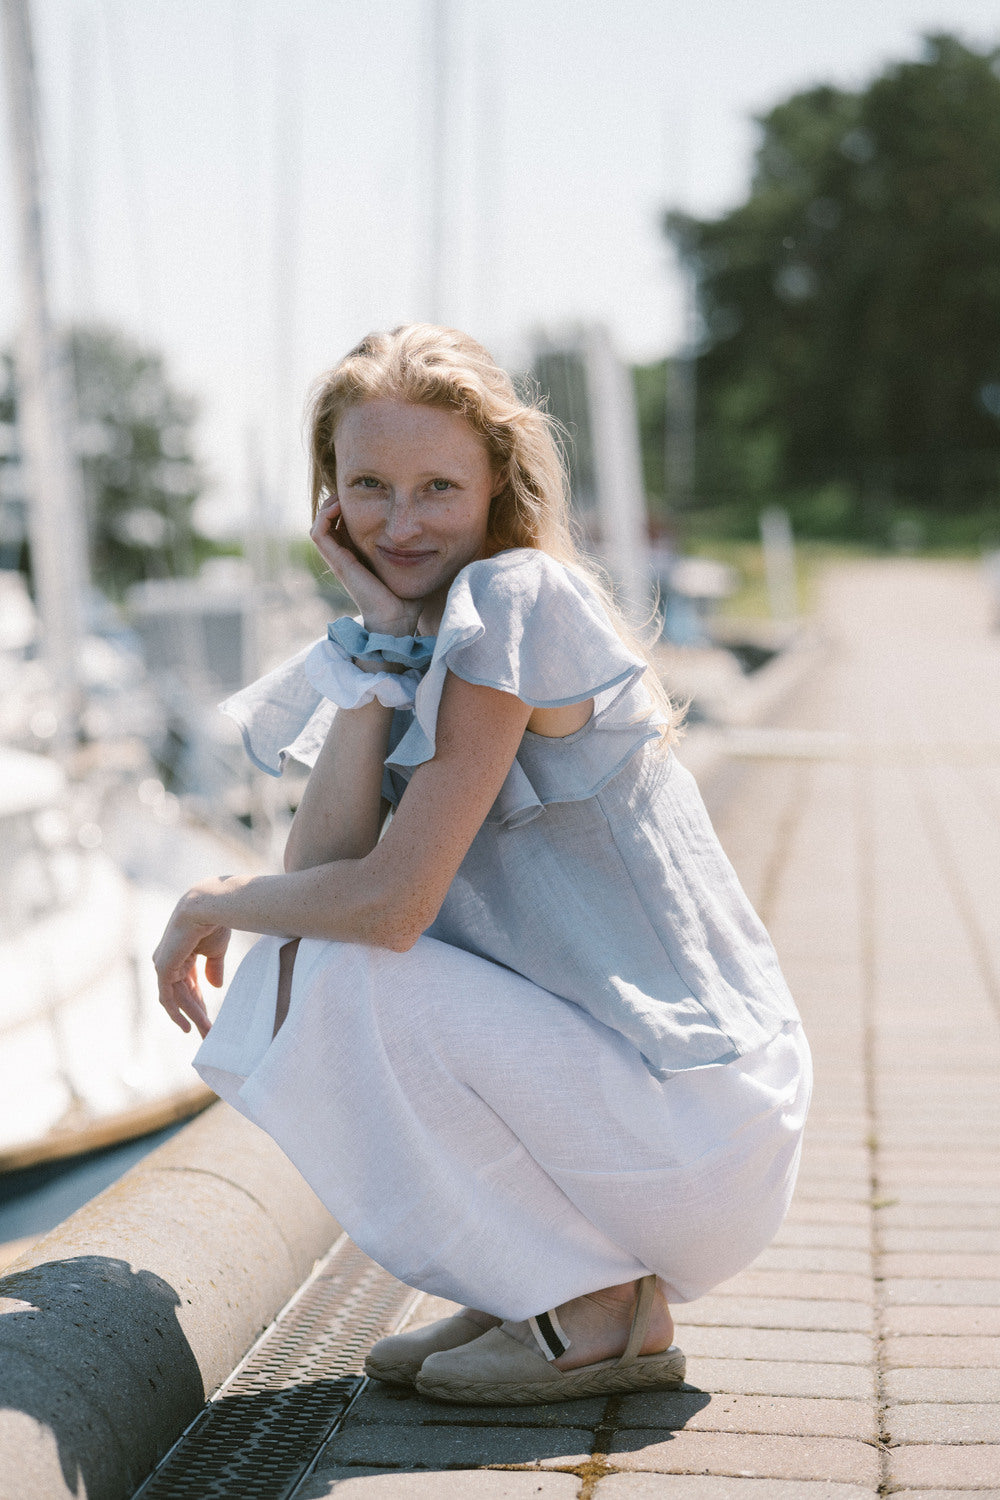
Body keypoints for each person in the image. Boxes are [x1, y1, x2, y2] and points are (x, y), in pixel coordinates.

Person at [153, 324, 811, 1406]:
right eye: (368, 485)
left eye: (436, 489)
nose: (400, 522)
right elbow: (318, 873)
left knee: (358, 968)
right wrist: (376, 632)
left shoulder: (518, 601)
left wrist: (208, 896)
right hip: (665, 1115)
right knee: (316, 967)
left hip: (696, 1113)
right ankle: (541, 1283)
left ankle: (592, 1307)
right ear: (327, 493)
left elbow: (387, 906)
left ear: (497, 482)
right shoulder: (425, 632)